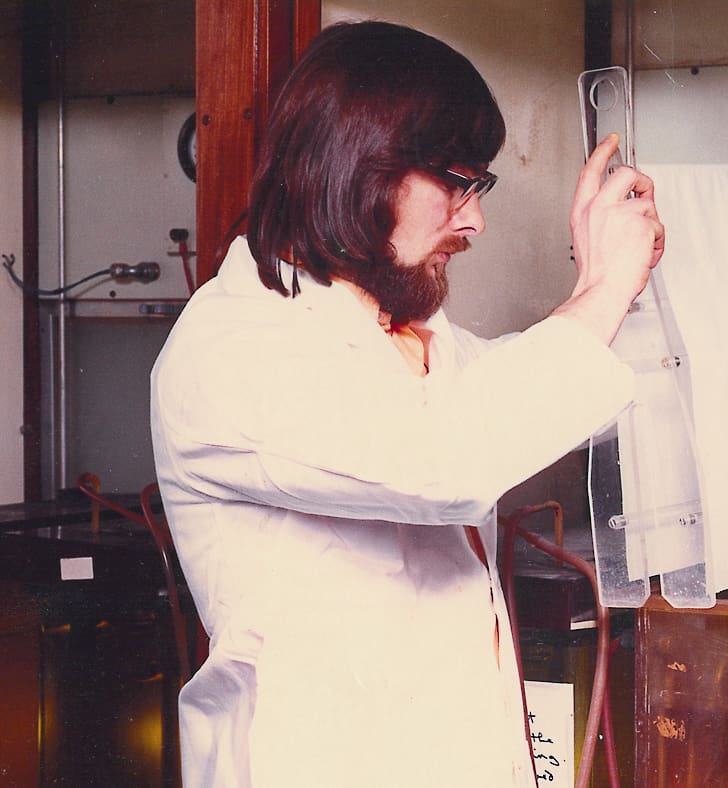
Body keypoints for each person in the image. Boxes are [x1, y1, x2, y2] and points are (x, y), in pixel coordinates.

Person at [150, 20, 663, 787]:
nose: (474, 219)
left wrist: (604, 281)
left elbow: (515, 396)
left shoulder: (401, 334)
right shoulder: (234, 347)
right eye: (456, 181)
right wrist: (600, 289)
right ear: (355, 166)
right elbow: (446, 461)